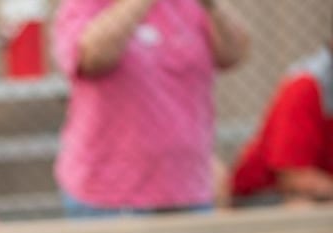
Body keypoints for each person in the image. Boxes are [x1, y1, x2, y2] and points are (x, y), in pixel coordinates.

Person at [52, 0, 251, 217]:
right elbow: (91, 57)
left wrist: (213, 6)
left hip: (189, 188)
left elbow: (234, 54)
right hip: (109, 196)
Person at [229, 29, 333, 206]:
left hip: (316, 193)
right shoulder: (306, 85)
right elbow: (294, 178)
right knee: (301, 206)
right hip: (261, 197)